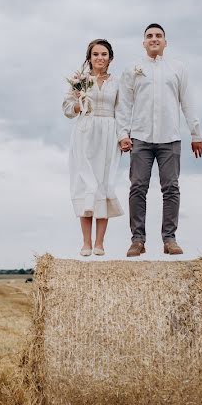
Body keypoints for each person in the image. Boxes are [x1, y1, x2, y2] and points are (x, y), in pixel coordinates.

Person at [116, 23, 202, 257]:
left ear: (166, 42)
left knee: (171, 188)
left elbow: (188, 102)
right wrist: (123, 134)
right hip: (140, 138)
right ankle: (137, 240)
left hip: (170, 138)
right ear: (143, 42)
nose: (154, 39)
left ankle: (169, 239)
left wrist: (196, 134)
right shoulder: (133, 69)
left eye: (158, 36)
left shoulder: (178, 69)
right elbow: (124, 104)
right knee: (137, 187)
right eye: (149, 36)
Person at [62, 38, 124, 256]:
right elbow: (67, 109)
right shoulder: (79, 81)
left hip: (108, 133)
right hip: (85, 133)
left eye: (104, 54)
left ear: (110, 58)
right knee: (85, 184)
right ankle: (86, 242)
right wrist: (79, 101)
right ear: (89, 58)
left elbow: (122, 110)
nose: (100, 58)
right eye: (96, 54)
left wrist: (123, 136)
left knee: (104, 183)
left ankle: (100, 242)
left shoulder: (117, 83)